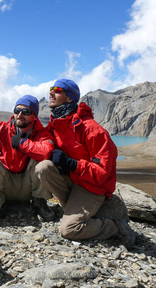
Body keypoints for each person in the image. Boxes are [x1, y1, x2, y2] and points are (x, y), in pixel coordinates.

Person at [35, 78, 136, 248]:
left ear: (69, 98)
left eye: (57, 89)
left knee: (69, 230)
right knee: (43, 168)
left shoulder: (93, 130)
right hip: (74, 181)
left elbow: (102, 173)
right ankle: (72, 208)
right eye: (51, 88)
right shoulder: (55, 125)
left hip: (92, 187)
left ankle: (116, 227)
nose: (51, 92)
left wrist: (71, 164)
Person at [0, 95, 55, 225]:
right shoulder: (2, 129)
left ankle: (39, 203)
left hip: (28, 187)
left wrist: (22, 143)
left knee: (43, 163)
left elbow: (46, 151)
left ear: (34, 116)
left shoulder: (41, 133)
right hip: (7, 185)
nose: (20, 114)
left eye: (26, 112)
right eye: (17, 110)